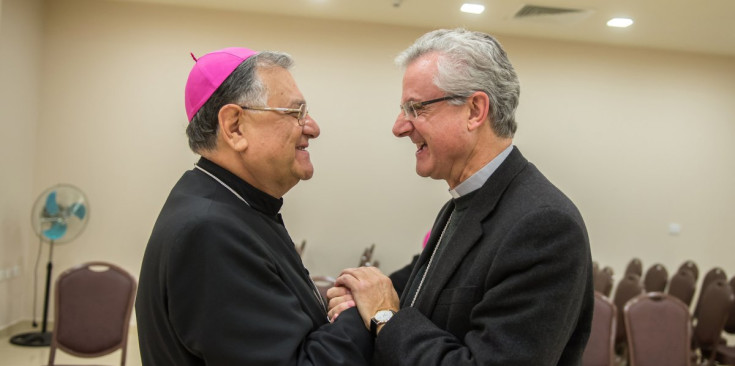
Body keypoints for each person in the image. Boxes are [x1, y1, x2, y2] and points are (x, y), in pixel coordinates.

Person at [328, 29, 594, 365]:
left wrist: (384, 318)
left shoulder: (544, 225)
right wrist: (360, 293)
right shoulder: (465, 201)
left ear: (474, 110)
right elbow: (421, 293)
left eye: (415, 107)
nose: (399, 126)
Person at [135, 47, 372, 365]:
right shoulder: (210, 232)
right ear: (234, 127)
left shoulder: (230, 204)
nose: (312, 128)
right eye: (295, 113)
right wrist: (361, 312)